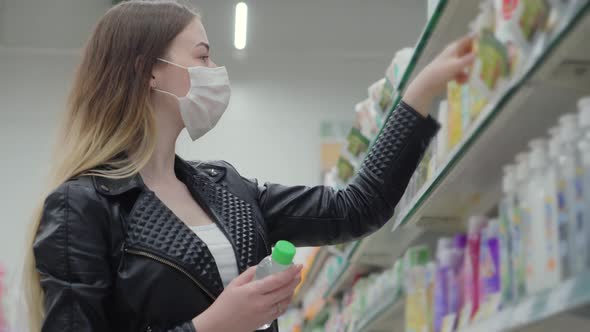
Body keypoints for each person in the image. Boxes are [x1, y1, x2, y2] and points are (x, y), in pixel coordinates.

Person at [23, 1, 475, 331]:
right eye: (202, 56)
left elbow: (357, 207)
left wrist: (421, 91)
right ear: (149, 72)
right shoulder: (81, 206)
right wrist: (212, 326)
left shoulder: (227, 189)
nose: (215, 69)